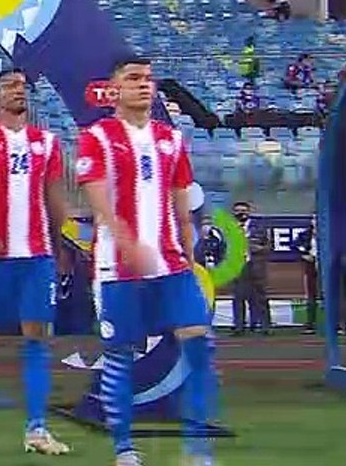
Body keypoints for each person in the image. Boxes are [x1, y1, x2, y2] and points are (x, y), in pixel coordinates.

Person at [75, 56, 219, 466]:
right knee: (121, 354)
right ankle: (124, 448)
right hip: (118, 268)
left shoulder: (171, 140)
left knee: (199, 346)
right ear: (114, 89)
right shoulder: (96, 137)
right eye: (134, 78)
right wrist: (127, 243)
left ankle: (198, 450)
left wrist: (191, 256)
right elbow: (99, 201)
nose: (144, 85)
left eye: (148, 78)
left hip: (172, 264)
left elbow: (181, 206)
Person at [0, 68, 72, 455]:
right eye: (9, 86)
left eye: (22, 86)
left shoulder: (48, 143)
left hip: (36, 256)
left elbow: (54, 200)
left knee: (38, 337)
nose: (18, 91)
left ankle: (36, 427)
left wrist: (62, 246)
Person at [231, 200, 272, 335]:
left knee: (260, 297)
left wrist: (257, 248)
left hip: (256, 265)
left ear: (248, 212)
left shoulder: (259, 227)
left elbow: (268, 247)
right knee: (238, 297)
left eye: (243, 210)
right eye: (237, 211)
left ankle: (265, 326)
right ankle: (239, 327)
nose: (240, 213)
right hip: (238, 267)